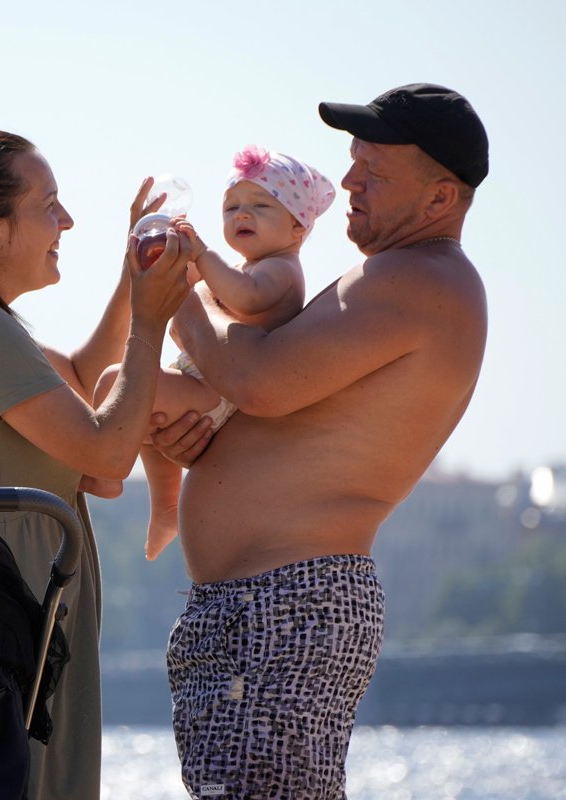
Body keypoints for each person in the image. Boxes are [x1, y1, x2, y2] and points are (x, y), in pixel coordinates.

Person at [152, 83, 489, 798]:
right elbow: (271, 409)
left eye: (375, 171)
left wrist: (172, 300)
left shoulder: (416, 278)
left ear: (439, 200)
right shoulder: (406, 277)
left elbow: (259, 382)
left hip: (280, 606)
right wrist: (207, 441)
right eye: (352, 160)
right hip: (268, 606)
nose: (348, 183)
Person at [0, 130, 191, 799]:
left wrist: (132, 282)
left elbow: (77, 377)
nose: (68, 221)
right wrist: (151, 322)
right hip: (12, 630)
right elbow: (107, 453)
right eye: (49, 205)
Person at [92, 147, 336, 560]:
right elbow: (201, 293)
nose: (241, 215)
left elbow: (246, 297)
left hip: (216, 393)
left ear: (298, 228)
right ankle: (167, 508)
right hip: (201, 381)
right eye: (231, 207)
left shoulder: (281, 270)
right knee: (144, 424)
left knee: (114, 383)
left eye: (260, 205)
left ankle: (103, 469)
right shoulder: (246, 266)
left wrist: (203, 257)